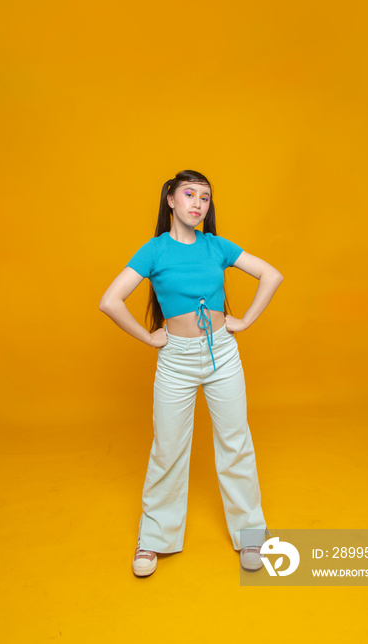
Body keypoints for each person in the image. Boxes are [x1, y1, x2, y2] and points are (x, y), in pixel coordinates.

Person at [99, 169, 284, 577]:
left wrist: (245, 320)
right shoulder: (154, 251)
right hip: (176, 361)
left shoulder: (216, 246)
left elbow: (272, 275)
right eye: (189, 194)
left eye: (204, 198)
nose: (197, 204)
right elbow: (110, 301)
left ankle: (251, 534)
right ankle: (154, 537)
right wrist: (150, 339)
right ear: (170, 199)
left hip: (222, 355)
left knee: (235, 443)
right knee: (168, 448)